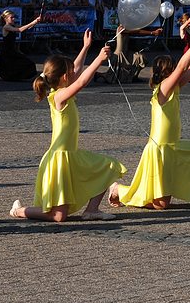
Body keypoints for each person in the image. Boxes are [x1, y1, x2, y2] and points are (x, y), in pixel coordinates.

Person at [10, 35, 125, 222]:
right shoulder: (58, 97)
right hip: (59, 159)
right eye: (70, 72)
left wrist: (86, 47)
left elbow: (76, 70)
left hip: (71, 155)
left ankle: (92, 210)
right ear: (65, 77)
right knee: (58, 216)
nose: (75, 73)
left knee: (108, 165)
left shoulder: (63, 90)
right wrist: (98, 60)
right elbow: (80, 82)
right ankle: (19, 210)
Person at [108, 28, 190, 209]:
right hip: (159, 150)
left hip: (173, 147)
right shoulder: (162, 89)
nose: (176, 72)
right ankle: (118, 190)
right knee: (160, 205)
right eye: (172, 69)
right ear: (166, 72)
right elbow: (182, 68)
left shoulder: (174, 86)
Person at [0, 9, 41, 81]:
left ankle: (12, 77)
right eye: (11, 17)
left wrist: (35, 22)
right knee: (8, 71)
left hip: (12, 50)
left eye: (14, 17)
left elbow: (25, 27)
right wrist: (34, 21)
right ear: (5, 19)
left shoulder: (13, 25)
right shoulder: (6, 27)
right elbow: (20, 30)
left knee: (23, 64)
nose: (13, 19)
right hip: (7, 52)